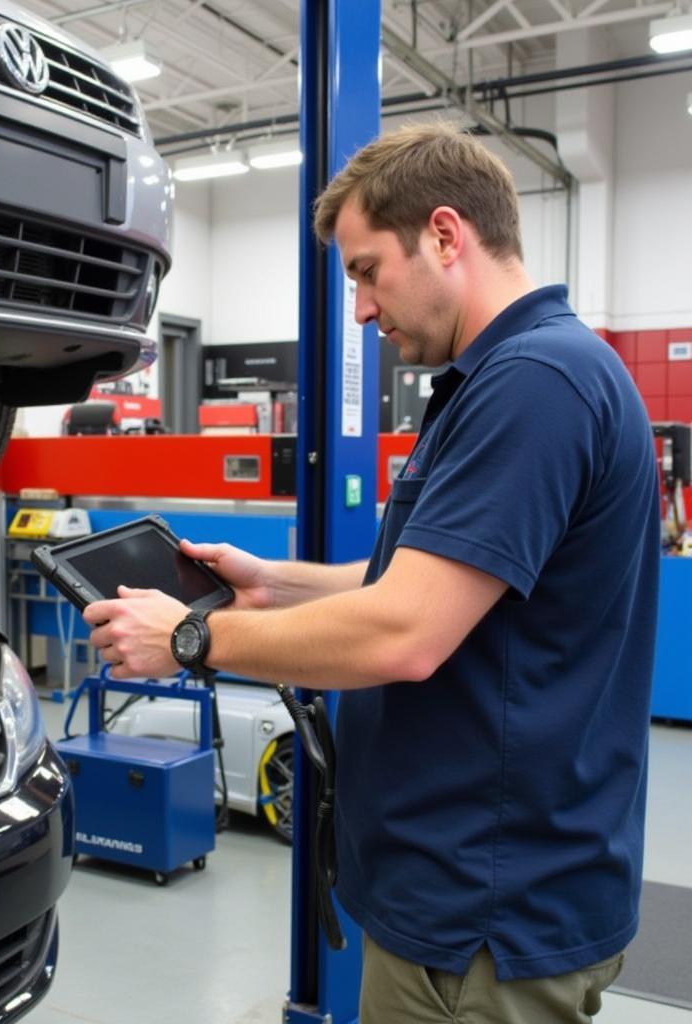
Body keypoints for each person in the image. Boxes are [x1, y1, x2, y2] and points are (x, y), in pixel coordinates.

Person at [82, 122, 660, 1024]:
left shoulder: (533, 383)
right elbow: (422, 583)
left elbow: (408, 632)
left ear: (443, 234)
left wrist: (193, 636)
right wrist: (274, 583)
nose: (359, 308)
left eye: (364, 270)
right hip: (476, 890)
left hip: (484, 915)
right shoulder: (516, 377)